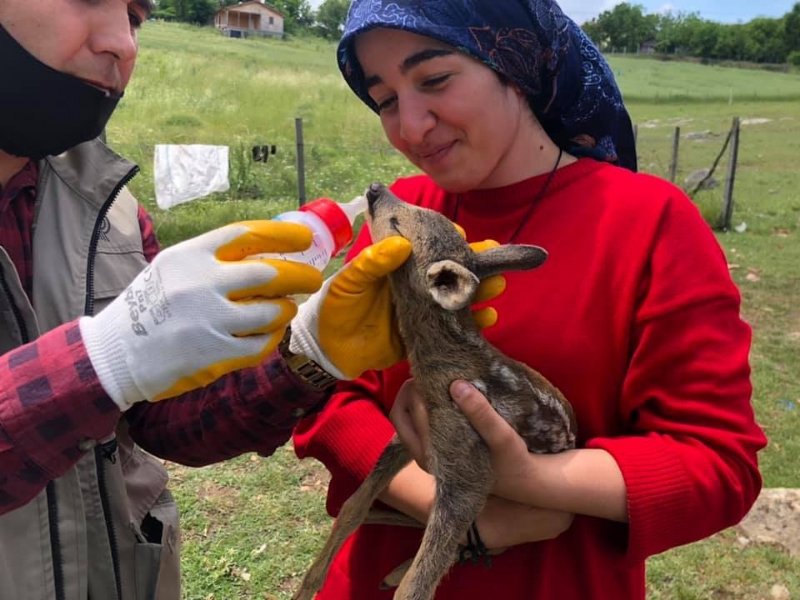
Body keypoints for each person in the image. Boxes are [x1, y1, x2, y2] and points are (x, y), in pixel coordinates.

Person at [292, 1, 768, 598]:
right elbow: (326, 397)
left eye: (434, 79)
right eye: (385, 99)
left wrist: (534, 480)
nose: (409, 127)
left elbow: (716, 464)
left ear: (512, 61)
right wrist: (455, 510)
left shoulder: (649, 223)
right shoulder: (403, 219)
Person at [0, 1, 436, 598]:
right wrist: (106, 359)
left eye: (135, 15)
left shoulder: (111, 211)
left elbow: (158, 424)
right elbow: (114, 371)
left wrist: (309, 356)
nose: (122, 45)